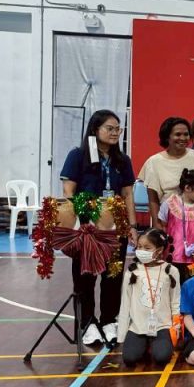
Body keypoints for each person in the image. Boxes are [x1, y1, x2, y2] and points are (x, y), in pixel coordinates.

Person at [60, 109, 139, 345]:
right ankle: (86, 324)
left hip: (115, 226)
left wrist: (132, 226)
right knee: (85, 277)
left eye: (118, 129)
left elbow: (127, 194)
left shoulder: (122, 160)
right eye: (110, 128)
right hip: (88, 226)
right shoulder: (78, 155)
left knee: (113, 276)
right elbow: (68, 191)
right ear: (95, 129)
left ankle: (108, 321)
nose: (115, 133)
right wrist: (84, 217)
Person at [138, 116, 194, 233]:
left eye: (186, 134)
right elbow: (153, 199)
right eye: (178, 134)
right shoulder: (154, 162)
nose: (183, 138)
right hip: (168, 220)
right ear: (167, 137)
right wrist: (157, 226)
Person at [116, 229, 179, 367]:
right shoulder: (132, 271)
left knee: (162, 357)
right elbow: (125, 305)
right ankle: (144, 345)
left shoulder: (171, 270)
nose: (141, 250)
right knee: (130, 359)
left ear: (159, 250)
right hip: (138, 326)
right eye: (139, 247)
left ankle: (155, 345)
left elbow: (175, 301)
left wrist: (176, 327)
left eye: (147, 248)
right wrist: (121, 336)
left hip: (162, 325)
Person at [156, 168, 194, 280]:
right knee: (174, 283)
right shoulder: (170, 203)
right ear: (187, 188)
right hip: (173, 255)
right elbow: (163, 225)